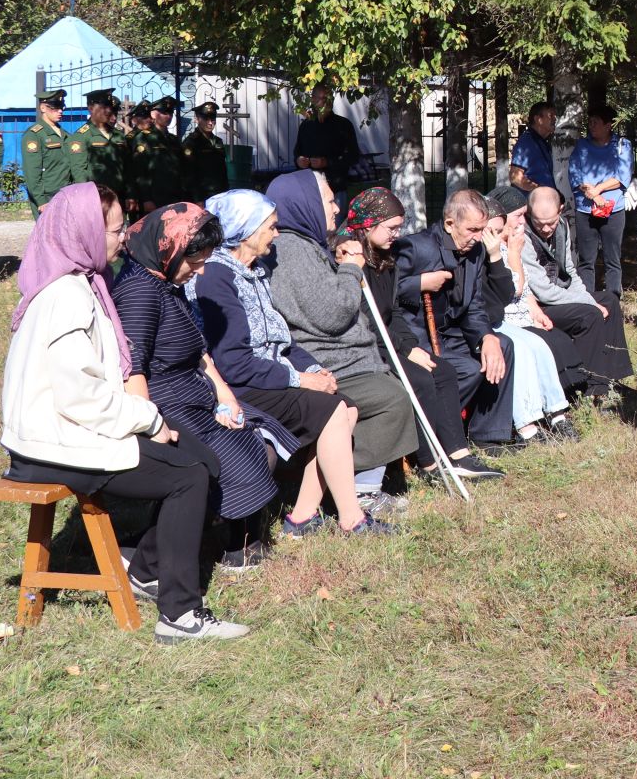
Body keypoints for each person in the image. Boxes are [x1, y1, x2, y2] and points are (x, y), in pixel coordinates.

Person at [0, 182, 249, 642]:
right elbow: (80, 397)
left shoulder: (78, 283)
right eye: (113, 230)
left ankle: (151, 571)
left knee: (200, 460)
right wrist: (149, 420)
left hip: (57, 434)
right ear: (84, 233)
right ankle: (180, 615)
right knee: (189, 474)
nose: (122, 239)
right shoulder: (68, 296)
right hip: (52, 446)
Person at [192, 189, 393, 536]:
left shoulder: (254, 272)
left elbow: (281, 339)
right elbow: (234, 362)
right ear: (248, 230)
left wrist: (314, 369)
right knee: (331, 410)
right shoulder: (216, 277)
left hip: (265, 375)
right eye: (270, 227)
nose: (276, 234)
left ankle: (301, 517)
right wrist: (299, 381)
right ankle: (352, 518)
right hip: (237, 387)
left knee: (347, 408)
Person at [111, 202, 282, 571]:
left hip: (194, 395)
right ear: (169, 249)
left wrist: (224, 392)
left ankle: (230, 538)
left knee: (260, 435)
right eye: (194, 261)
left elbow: (198, 348)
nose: (200, 270)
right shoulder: (140, 293)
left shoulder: (166, 282)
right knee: (231, 456)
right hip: (167, 406)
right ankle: (149, 555)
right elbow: (132, 370)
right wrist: (155, 428)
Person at [264, 170, 421, 518]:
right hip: (325, 360)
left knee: (390, 390)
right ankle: (357, 488)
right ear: (305, 204)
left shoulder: (306, 245)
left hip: (342, 355)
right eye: (329, 201)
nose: (336, 208)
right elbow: (332, 314)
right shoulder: (293, 250)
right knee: (389, 398)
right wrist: (351, 269)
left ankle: (347, 481)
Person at [338, 187, 501, 483]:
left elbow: (394, 311)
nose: (397, 235)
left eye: (399, 227)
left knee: (445, 371)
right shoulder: (351, 257)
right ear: (368, 224)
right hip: (365, 345)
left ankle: (458, 454)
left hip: (393, 338)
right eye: (391, 228)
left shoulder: (385, 258)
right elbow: (365, 318)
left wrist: (411, 346)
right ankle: (428, 463)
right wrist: (405, 348)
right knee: (422, 379)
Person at [393, 188, 519, 451]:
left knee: (502, 346)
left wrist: (486, 337)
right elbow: (383, 292)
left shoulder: (476, 251)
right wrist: (419, 283)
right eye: (472, 229)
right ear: (450, 223)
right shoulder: (416, 247)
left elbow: (473, 304)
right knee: (469, 369)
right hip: (418, 335)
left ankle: (487, 434)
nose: (478, 237)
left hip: (452, 332)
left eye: (482, 229)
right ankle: (428, 435)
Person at [481, 186, 582, 445]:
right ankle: (527, 426)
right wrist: (511, 252)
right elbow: (512, 288)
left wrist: (534, 307)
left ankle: (558, 414)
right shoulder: (489, 250)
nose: (521, 222)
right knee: (522, 350)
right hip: (493, 319)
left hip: (509, 315)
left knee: (540, 345)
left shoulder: (505, 245)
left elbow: (523, 290)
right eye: (518, 216)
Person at [517, 185, 635, 401]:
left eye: (550, 222)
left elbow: (569, 271)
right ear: (528, 213)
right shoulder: (522, 236)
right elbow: (543, 292)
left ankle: (612, 378)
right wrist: (589, 304)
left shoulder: (562, 226)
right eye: (539, 223)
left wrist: (589, 299)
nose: (545, 229)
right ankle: (586, 387)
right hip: (538, 307)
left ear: (560, 211)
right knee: (589, 315)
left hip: (559, 297)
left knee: (609, 300)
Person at [567, 103, 633, 296]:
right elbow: (575, 174)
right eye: (590, 122)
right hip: (586, 210)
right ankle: (588, 300)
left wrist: (599, 190)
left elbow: (623, 176)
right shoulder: (581, 146)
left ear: (608, 125)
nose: (591, 126)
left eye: (596, 122)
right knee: (587, 259)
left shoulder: (622, 145)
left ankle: (613, 299)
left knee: (613, 258)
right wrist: (593, 194)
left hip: (613, 210)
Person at [294, 85, 363, 192]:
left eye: (330, 99)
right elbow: (297, 152)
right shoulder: (306, 126)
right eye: (324, 99)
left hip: (335, 187)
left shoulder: (343, 125)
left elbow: (353, 156)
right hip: (310, 188)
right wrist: (299, 161)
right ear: (313, 99)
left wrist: (327, 162)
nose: (327, 103)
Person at [20, 88, 74, 217]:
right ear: (43, 108)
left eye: (62, 107)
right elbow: (32, 172)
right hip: (48, 196)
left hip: (66, 192)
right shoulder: (34, 135)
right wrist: (41, 200)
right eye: (55, 107)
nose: (60, 111)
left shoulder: (65, 134)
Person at [67, 89, 129, 195]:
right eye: (103, 107)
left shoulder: (118, 135)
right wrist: (88, 197)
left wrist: (131, 194)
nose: (108, 111)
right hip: (95, 197)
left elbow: (128, 168)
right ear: (91, 108)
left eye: (109, 107)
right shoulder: (81, 136)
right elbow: (79, 173)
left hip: (119, 196)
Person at [130, 96, 186, 214]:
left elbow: (182, 169)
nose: (169, 116)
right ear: (153, 114)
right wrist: (146, 199)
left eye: (170, 112)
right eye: (164, 112)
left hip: (175, 197)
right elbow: (140, 171)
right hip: (154, 199)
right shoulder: (143, 138)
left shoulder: (173, 140)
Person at [182, 101, 230, 203]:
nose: (210, 122)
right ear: (197, 119)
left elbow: (223, 171)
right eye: (206, 118)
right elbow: (189, 174)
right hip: (201, 198)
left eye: (213, 118)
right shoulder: (191, 142)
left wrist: (226, 194)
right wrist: (197, 199)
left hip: (219, 196)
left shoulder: (218, 141)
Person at [508, 102, 557, 193]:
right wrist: (539, 191)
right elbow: (514, 177)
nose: (555, 119)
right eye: (551, 115)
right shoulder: (526, 142)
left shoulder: (541, 142)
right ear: (538, 119)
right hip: (531, 203)